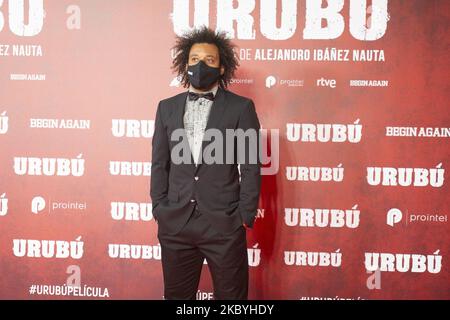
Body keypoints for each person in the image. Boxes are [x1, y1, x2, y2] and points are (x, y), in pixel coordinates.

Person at [150, 26, 261, 300]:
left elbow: (250, 166)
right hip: (176, 223)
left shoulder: (241, 108)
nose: (201, 65)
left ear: (222, 67)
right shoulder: (167, 107)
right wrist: (159, 207)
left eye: (210, 60)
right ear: (184, 64)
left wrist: (243, 216)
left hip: (223, 224)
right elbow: (159, 163)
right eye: (194, 59)